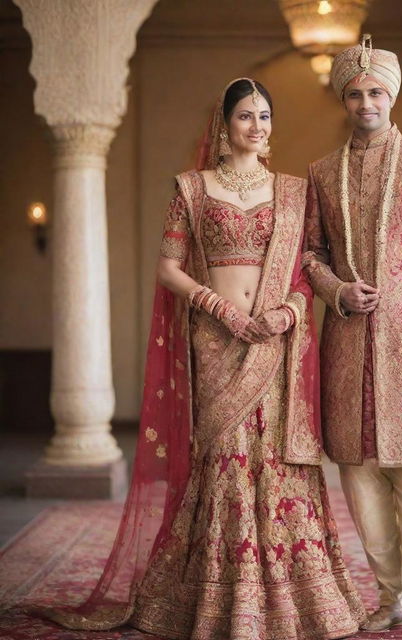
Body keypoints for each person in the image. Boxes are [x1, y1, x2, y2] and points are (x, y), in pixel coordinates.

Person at [43, 78, 365, 640]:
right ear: (224, 124)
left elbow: (305, 268)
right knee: (224, 453)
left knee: (275, 455)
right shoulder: (192, 189)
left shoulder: (294, 192)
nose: (257, 126)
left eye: (265, 116)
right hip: (215, 340)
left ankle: (293, 597)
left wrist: (286, 316)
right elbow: (168, 268)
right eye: (245, 116)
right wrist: (218, 307)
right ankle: (214, 595)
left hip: (273, 338)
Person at [302, 36, 402, 640]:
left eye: (375, 92)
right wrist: (334, 290)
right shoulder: (321, 172)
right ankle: (390, 598)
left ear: (391, 96)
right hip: (348, 351)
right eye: (355, 93)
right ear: (343, 100)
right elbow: (310, 253)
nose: (366, 102)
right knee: (362, 484)